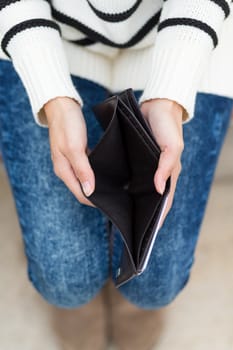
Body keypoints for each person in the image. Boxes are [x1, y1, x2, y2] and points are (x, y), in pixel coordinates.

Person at [0, 1, 233, 349]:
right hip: (46, 34)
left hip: (184, 35)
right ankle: (78, 302)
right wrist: (53, 97)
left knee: (156, 281)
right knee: (65, 279)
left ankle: (133, 304)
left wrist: (171, 93)